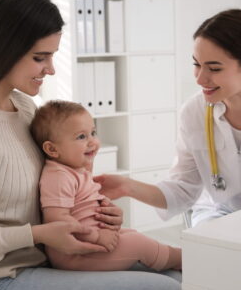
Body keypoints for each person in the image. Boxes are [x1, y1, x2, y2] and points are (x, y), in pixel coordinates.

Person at [0, 0, 181, 290]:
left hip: (45, 260)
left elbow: (51, 191)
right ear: (4, 49)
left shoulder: (25, 108)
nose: (50, 70)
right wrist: (36, 235)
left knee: (177, 275)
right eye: (40, 57)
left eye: (52, 57)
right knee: (167, 287)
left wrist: (96, 212)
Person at [94, 8, 241, 228]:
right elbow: (182, 190)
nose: (200, 79)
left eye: (214, 68)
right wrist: (127, 187)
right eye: (196, 64)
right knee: (207, 252)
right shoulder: (194, 112)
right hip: (218, 216)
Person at [30, 100, 182, 272]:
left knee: (133, 234)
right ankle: (181, 259)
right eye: (81, 136)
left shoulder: (75, 170)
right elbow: (57, 219)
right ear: (52, 149)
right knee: (139, 244)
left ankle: (172, 261)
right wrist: (96, 236)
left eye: (93, 133)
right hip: (76, 254)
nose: (92, 141)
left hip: (91, 241)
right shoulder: (58, 177)